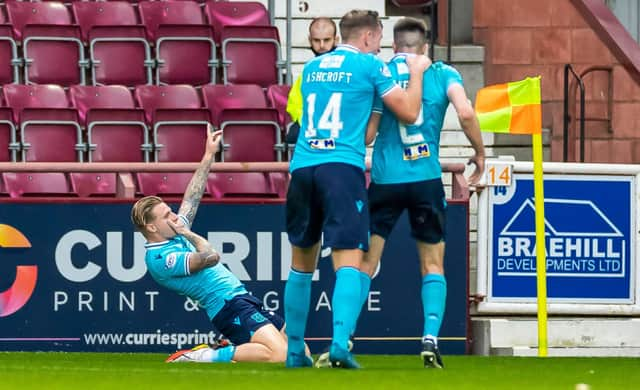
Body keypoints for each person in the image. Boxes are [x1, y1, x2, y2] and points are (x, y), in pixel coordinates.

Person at [283, 9, 431, 369]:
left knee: (301, 264)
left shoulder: (312, 69)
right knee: (347, 259)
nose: (380, 46)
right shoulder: (371, 67)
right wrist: (416, 72)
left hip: (303, 168)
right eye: (379, 38)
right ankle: (338, 345)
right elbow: (410, 113)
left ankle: (293, 352)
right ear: (367, 37)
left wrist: (375, 108)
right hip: (340, 169)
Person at [360, 17, 485, 369]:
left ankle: (345, 338)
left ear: (394, 46)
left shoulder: (379, 72)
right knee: (432, 264)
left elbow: (367, 132)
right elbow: (465, 112)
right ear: (425, 46)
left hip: (385, 180)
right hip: (426, 180)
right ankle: (430, 337)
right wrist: (479, 152)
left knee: (366, 263)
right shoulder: (444, 73)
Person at [131, 126, 308, 364]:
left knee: (301, 353)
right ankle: (203, 355)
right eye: (166, 215)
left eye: (170, 212)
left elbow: (192, 197)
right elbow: (211, 257)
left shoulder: (173, 233)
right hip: (228, 307)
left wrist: (208, 156)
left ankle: (231, 346)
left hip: (242, 298)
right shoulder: (162, 259)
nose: (174, 216)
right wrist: (188, 233)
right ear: (151, 228)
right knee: (278, 355)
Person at [286, 17, 340, 144]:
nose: (321, 46)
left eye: (326, 40)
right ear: (310, 40)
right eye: (316, 40)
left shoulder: (347, 67)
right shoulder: (307, 70)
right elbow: (294, 104)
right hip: (310, 128)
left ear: (336, 40)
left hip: (338, 130)